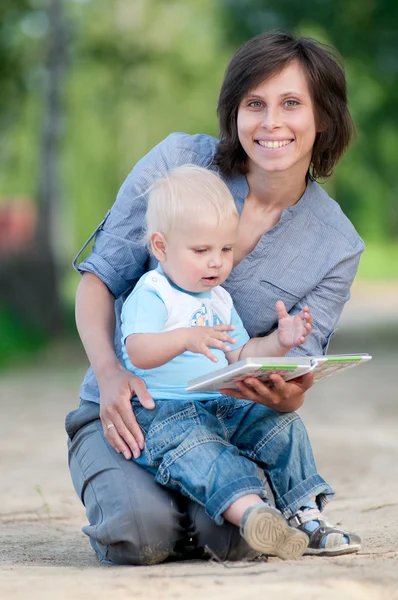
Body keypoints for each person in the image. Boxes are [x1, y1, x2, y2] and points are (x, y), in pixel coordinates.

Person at [66, 30, 364, 565]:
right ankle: (164, 508)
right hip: (133, 410)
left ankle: (255, 512)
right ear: (235, 112)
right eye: (255, 104)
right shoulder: (179, 163)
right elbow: (100, 280)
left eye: (292, 104)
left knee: (236, 539)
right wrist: (110, 374)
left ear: (323, 118)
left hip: (223, 419)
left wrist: (284, 386)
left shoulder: (337, 246)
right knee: (141, 535)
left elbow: (292, 383)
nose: (271, 122)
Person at [121, 164, 315, 560]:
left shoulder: (219, 299)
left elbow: (240, 355)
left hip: (222, 403)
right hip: (168, 411)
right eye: (201, 251)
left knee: (280, 424)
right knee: (201, 449)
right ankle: (255, 515)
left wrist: (280, 341)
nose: (216, 263)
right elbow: (137, 350)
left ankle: (306, 514)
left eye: (225, 250)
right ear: (161, 247)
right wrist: (184, 339)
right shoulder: (154, 291)